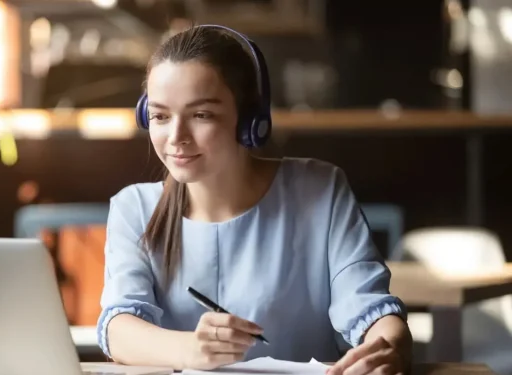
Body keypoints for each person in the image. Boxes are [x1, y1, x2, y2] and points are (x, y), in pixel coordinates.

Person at [96, 25, 412, 375]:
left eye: (201, 115)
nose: (176, 137)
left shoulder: (319, 190)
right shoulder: (134, 208)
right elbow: (119, 328)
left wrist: (389, 349)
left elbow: (372, 310)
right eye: (160, 116)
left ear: (250, 120)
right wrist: (190, 349)